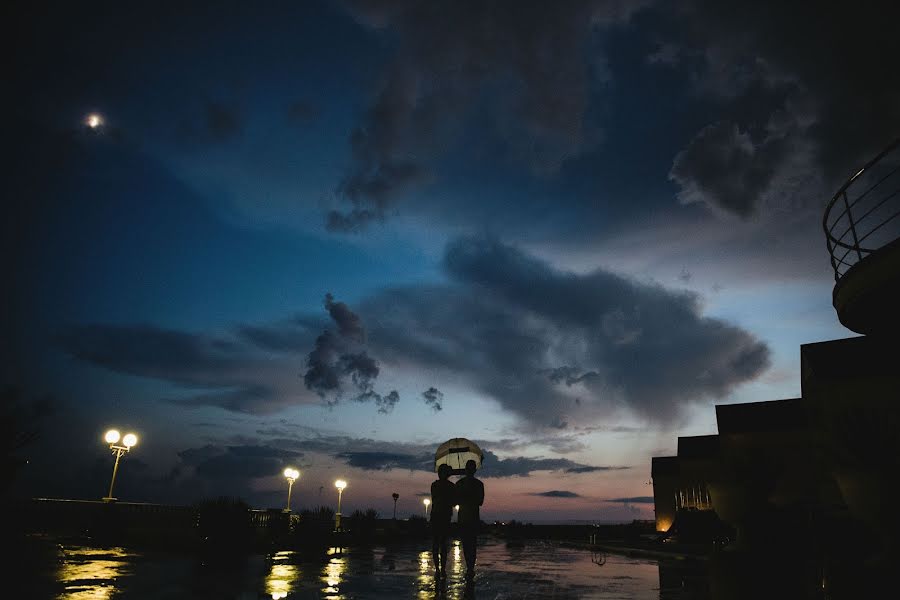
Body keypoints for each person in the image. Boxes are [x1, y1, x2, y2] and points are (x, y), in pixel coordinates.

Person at [455, 459, 484, 581]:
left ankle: (470, 568)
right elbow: (455, 500)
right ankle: (470, 568)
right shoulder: (460, 484)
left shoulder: (477, 484)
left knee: (470, 545)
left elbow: (480, 501)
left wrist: (467, 496)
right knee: (468, 545)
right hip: (465, 518)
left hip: (470, 518)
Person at [430, 463, 456, 579]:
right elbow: (453, 502)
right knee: (441, 544)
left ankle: (439, 570)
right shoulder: (450, 486)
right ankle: (440, 569)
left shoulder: (435, 485)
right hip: (443, 515)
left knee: (438, 543)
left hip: (438, 515)